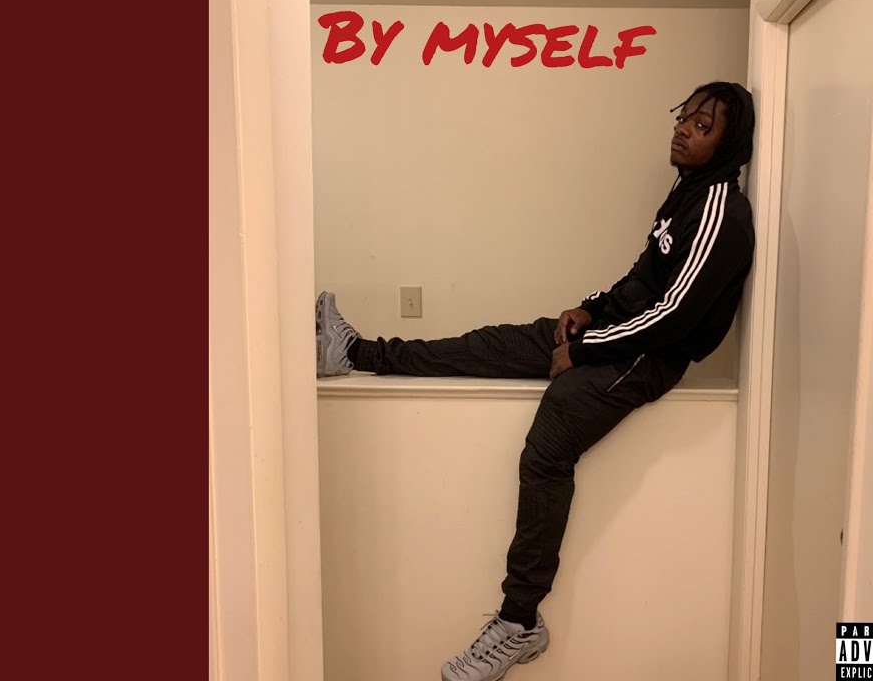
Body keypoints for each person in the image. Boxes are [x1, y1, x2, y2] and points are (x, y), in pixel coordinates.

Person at [316, 81, 756, 681]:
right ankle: (356, 352)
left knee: (547, 448)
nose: (684, 129)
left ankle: (519, 622)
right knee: (493, 344)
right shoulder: (687, 190)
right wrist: (591, 308)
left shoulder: (721, 211)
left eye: (703, 127)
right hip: (618, 333)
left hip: (647, 358)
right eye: (685, 117)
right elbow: (644, 276)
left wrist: (588, 347)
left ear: (728, 144)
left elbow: (674, 315)